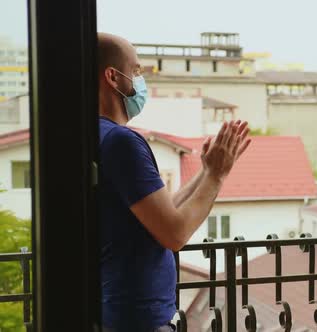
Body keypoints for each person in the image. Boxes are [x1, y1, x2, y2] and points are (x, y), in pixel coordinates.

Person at [97, 33, 251, 332]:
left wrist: (208, 171)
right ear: (113, 77)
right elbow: (174, 233)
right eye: (137, 71)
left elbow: (160, 216)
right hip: (135, 320)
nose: (141, 81)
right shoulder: (120, 141)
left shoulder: (97, 136)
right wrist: (217, 176)